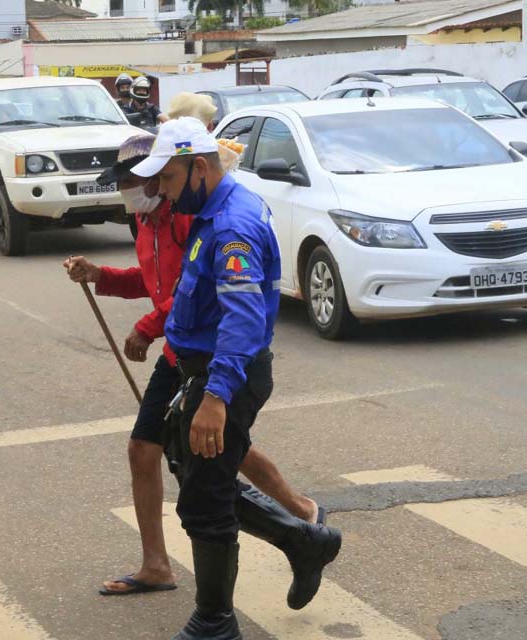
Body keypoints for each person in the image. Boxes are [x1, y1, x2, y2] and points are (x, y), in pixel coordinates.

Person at [65, 133, 330, 599]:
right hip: (183, 358)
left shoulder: (198, 219)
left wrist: (209, 387)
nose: (132, 188)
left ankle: (301, 526)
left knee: (208, 473)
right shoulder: (149, 222)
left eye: (145, 178)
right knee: (171, 458)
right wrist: (101, 277)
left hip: (211, 363)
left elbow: (222, 306)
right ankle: (166, 567)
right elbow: (161, 285)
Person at [131, 118, 341, 639]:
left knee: (204, 503)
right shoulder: (211, 208)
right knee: (200, 479)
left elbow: (244, 317)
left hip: (229, 371)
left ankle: (215, 623)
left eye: (170, 179)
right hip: (201, 365)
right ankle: (302, 540)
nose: (161, 191)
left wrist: (216, 395)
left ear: (199, 167)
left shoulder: (231, 226)